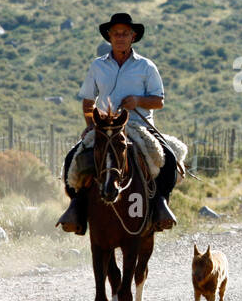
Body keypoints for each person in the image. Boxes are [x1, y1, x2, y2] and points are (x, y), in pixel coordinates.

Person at [59, 12, 181, 234]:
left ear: (133, 36)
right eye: (116, 33)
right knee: (72, 159)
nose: (120, 37)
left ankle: (161, 204)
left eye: (125, 33)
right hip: (105, 127)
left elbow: (159, 101)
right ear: (109, 36)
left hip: (137, 126)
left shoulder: (146, 67)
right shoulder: (97, 66)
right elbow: (88, 100)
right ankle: (75, 209)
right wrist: (90, 123)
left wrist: (138, 101)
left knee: (168, 158)